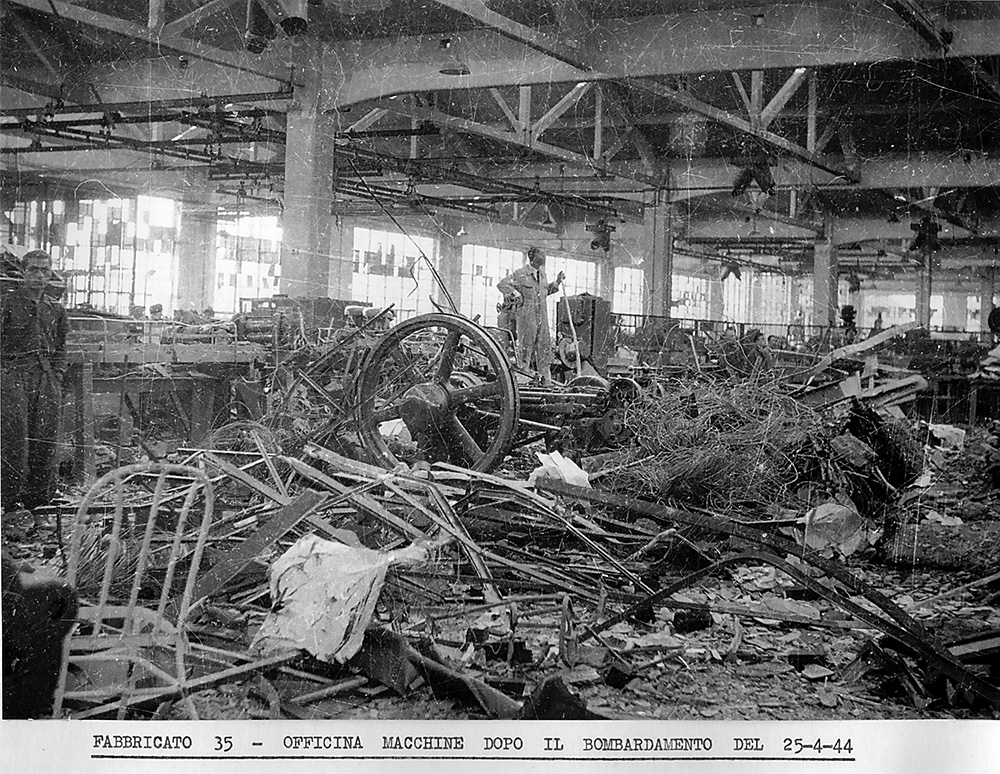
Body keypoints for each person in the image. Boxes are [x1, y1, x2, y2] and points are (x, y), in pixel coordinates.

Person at [1, 250, 69, 512]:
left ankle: (39, 504)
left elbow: (62, 348)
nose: (39, 275)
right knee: (13, 441)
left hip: (45, 378)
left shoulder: (56, 308)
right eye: (33, 269)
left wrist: (57, 376)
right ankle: (8, 503)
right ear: (23, 273)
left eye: (45, 270)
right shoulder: (6, 303)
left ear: (51, 273)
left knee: (46, 440)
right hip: (12, 377)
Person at [496, 247, 564, 383]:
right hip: (527, 316)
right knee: (526, 348)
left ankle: (546, 382)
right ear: (532, 257)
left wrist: (557, 282)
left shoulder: (543, 275)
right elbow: (502, 284)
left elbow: (545, 292)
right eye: (541, 254)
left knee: (544, 349)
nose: (544, 256)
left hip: (543, 316)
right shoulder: (520, 273)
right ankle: (523, 380)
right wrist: (515, 293)